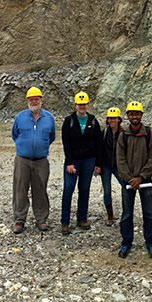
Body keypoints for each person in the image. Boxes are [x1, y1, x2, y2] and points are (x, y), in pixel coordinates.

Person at [115, 101, 152, 259]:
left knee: (149, 213)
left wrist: (141, 177)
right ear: (127, 116)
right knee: (127, 213)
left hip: (145, 181)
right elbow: (120, 160)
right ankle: (126, 241)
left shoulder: (149, 134)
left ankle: (150, 241)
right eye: (131, 113)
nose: (134, 116)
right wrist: (129, 179)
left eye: (137, 113)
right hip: (128, 182)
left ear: (141, 115)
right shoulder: (123, 136)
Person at [11, 87, 56, 233]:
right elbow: (15, 134)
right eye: (31, 99)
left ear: (41, 100)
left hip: (41, 161)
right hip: (22, 159)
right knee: (20, 190)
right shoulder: (20, 117)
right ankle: (19, 219)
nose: (34, 101)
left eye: (36, 98)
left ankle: (41, 219)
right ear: (27, 101)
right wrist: (26, 147)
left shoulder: (49, 117)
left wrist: (39, 148)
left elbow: (51, 137)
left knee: (40, 189)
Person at [60, 91, 103, 234]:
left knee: (84, 189)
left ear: (88, 105)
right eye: (80, 104)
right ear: (75, 105)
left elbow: (98, 143)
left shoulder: (93, 121)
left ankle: (82, 218)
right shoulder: (69, 120)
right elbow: (66, 143)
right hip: (73, 161)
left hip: (89, 160)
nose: (82, 106)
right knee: (68, 189)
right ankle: (65, 222)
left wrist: (98, 163)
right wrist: (69, 162)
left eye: (84, 104)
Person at [97, 107, 124, 227]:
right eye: (110, 118)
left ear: (119, 120)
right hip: (106, 166)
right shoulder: (103, 134)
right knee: (107, 192)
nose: (112, 120)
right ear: (107, 120)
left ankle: (127, 212)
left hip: (119, 166)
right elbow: (99, 150)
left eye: (115, 118)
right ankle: (110, 215)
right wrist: (98, 165)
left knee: (126, 188)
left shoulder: (124, 134)